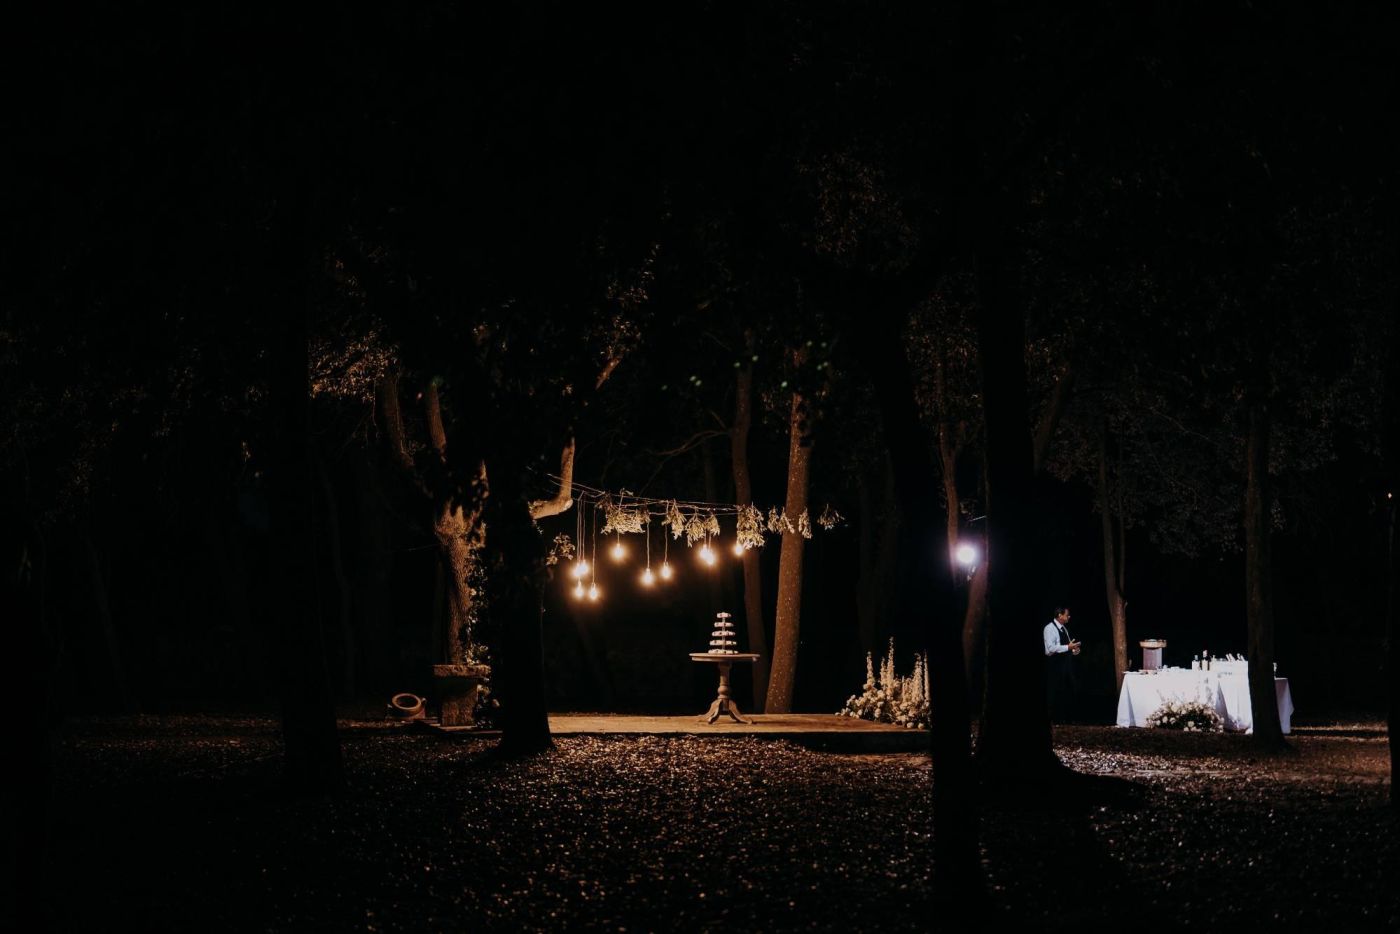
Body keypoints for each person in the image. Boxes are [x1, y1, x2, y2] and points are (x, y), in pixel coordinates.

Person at [1043, 606, 1081, 722]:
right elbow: (1050, 649)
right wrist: (1068, 647)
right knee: (1054, 691)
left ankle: (1066, 718)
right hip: (1055, 665)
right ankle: (1053, 719)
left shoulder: (1064, 628)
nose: (1069, 616)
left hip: (1066, 665)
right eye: (1067, 615)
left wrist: (1074, 650)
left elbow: (1068, 645)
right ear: (1060, 615)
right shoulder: (1049, 628)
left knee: (1068, 690)